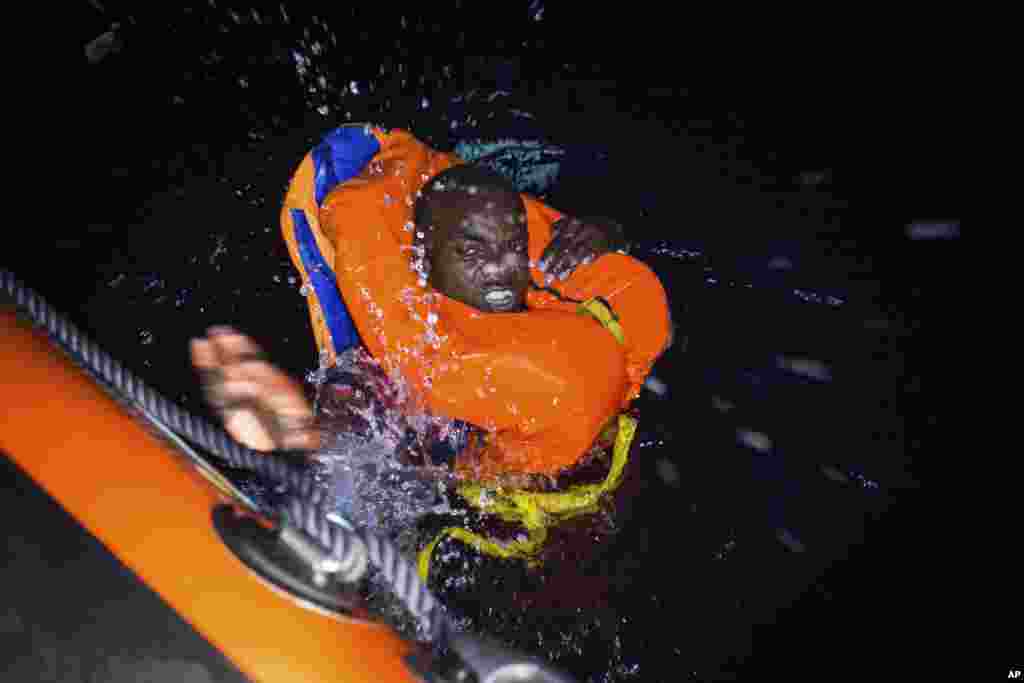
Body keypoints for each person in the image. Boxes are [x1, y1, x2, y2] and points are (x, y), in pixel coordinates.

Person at [191, 125, 672, 493]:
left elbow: (626, 300)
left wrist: (610, 234)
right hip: (498, 496)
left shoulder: (546, 303)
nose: (501, 269)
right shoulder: (390, 346)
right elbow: (405, 469)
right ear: (422, 255)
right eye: (471, 253)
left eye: (513, 246)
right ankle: (284, 437)